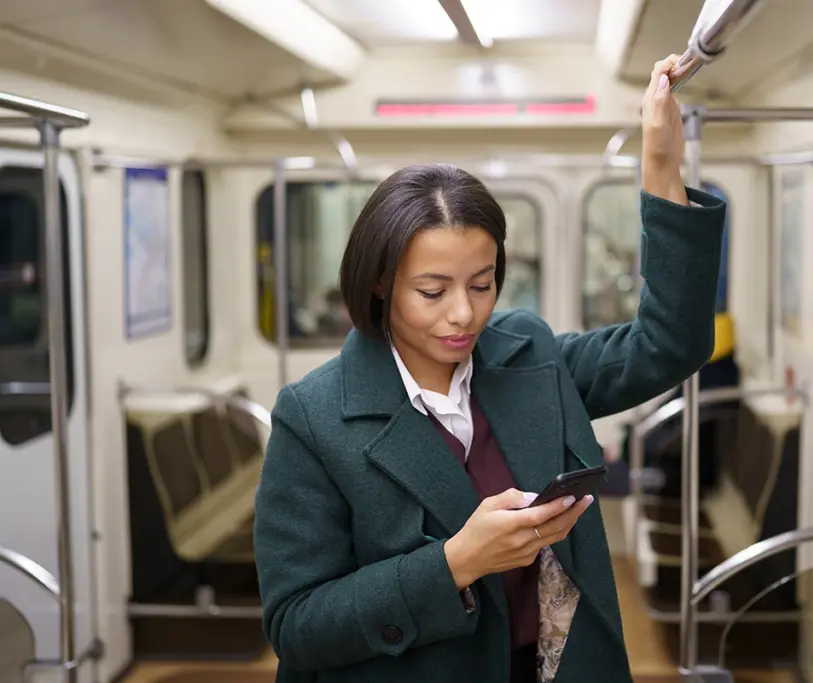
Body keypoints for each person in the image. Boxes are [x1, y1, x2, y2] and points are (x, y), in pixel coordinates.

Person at [253, 54, 726, 683]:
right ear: (378, 285)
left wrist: (662, 164)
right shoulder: (314, 416)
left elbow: (669, 343)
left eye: (483, 284)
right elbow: (297, 625)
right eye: (432, 291)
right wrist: (453, 564)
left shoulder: (525, 352)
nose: (463, 315)